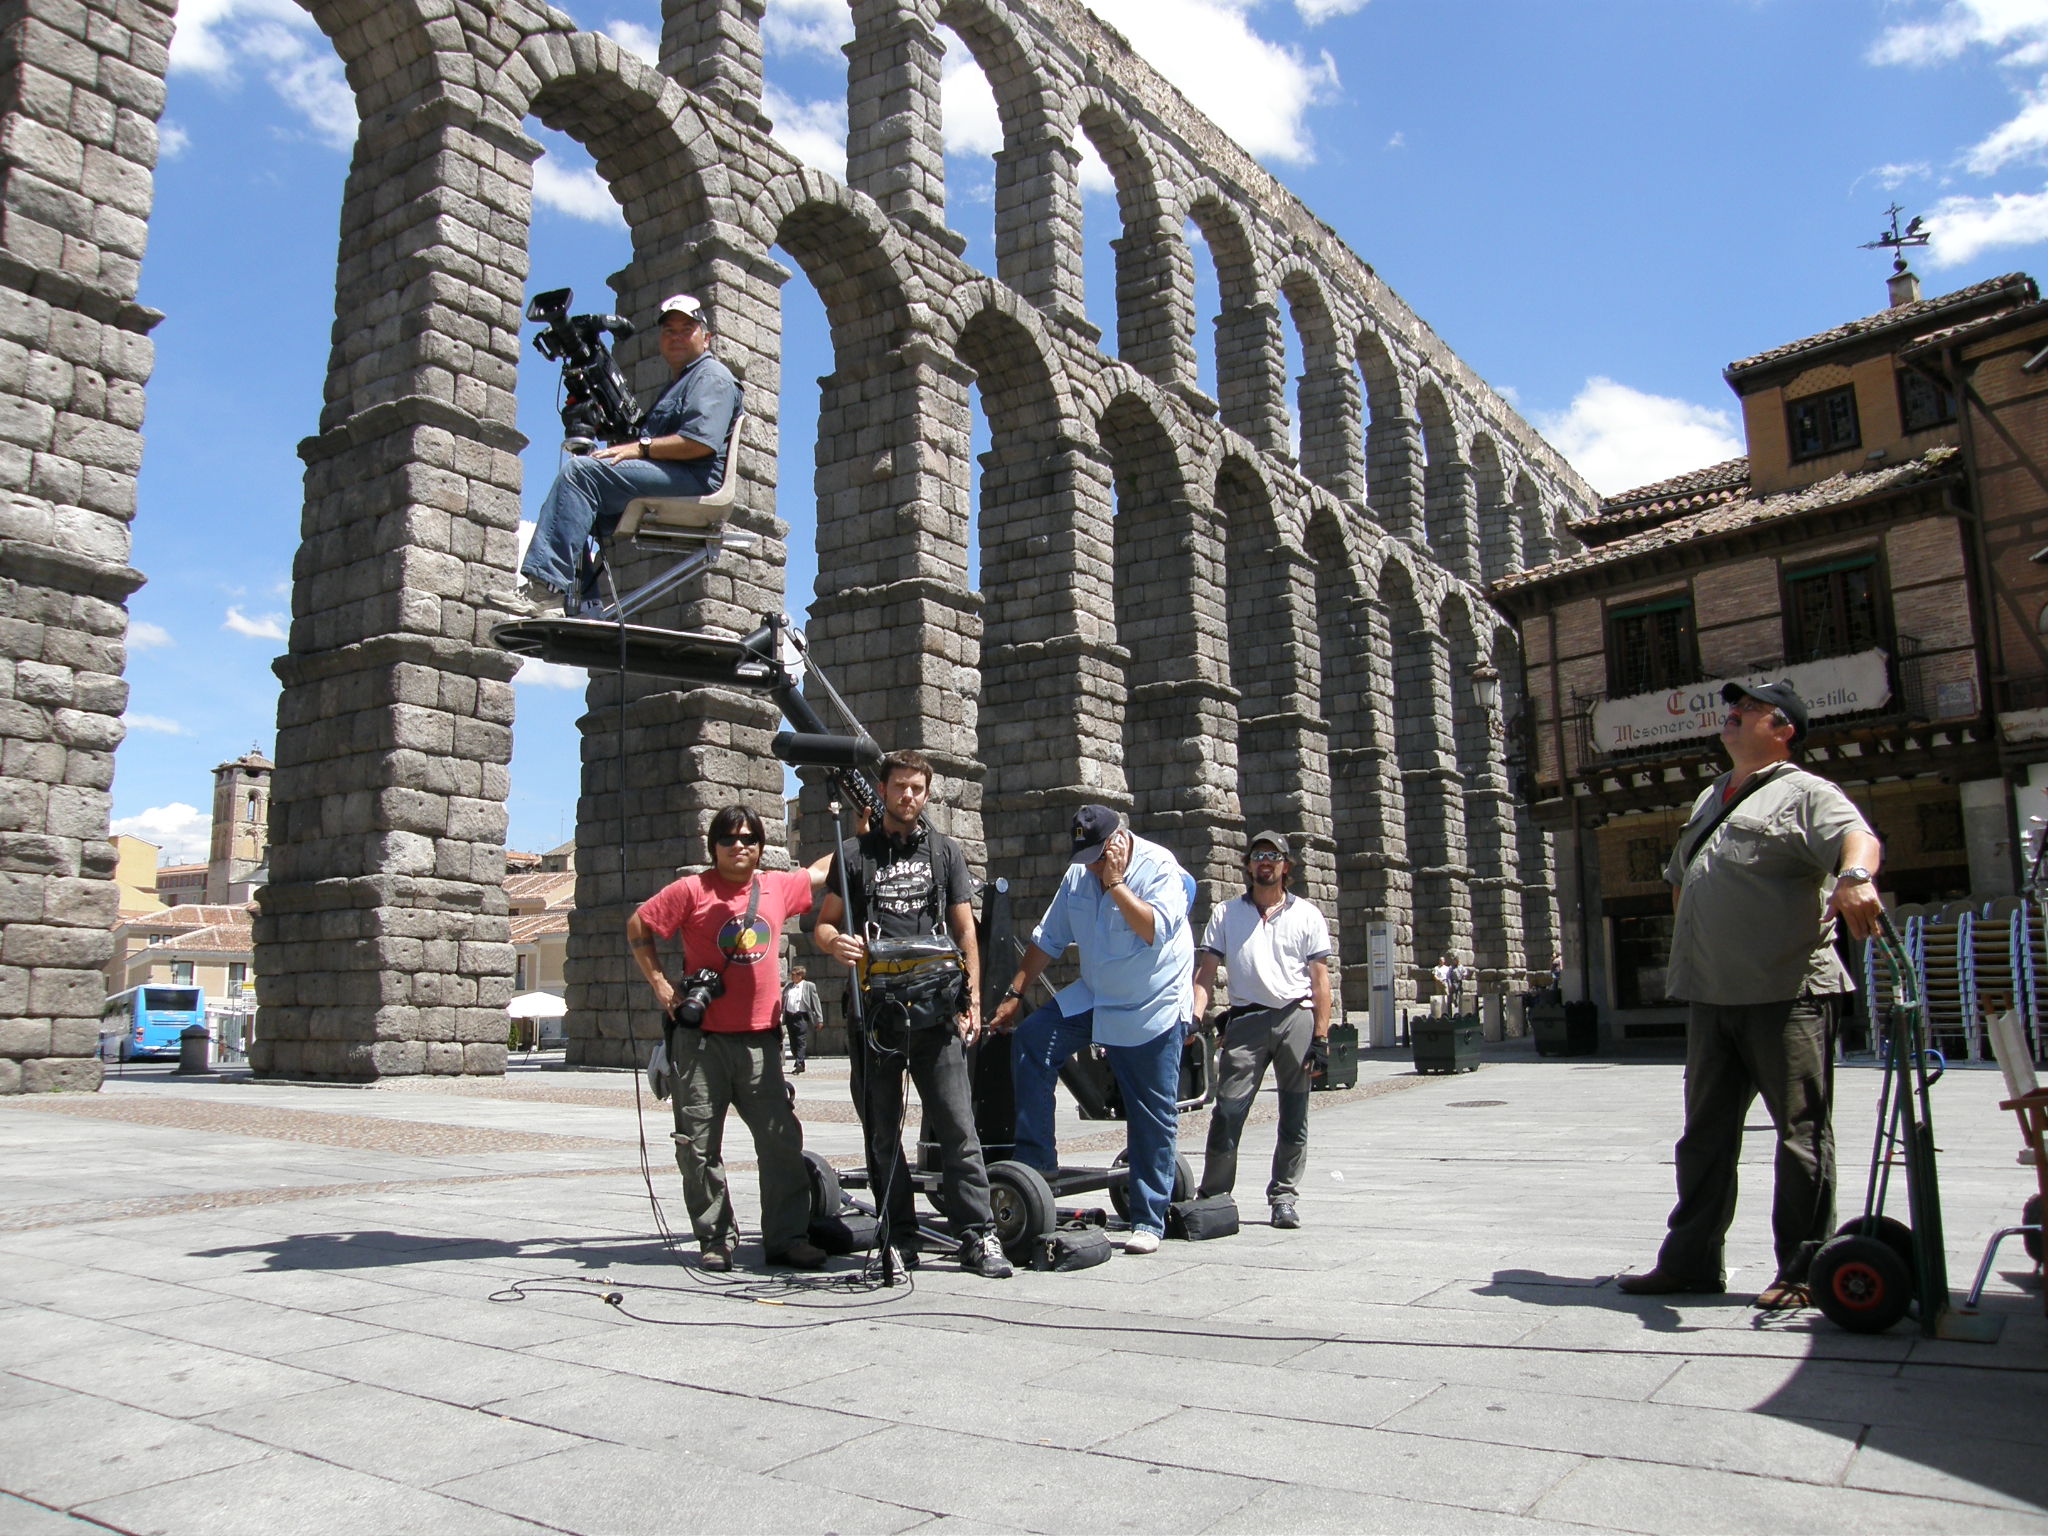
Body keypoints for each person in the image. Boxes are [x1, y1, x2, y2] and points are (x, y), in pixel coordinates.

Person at [1618, 680, 1883, 1310]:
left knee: (1800, 1135)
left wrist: (1853, 878)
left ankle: (1803, 1269)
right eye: (1732, 709)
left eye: (1749, 710)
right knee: (1703, 1137)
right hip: (1713, 997)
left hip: (1786, 992)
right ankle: (1690, 1263)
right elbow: (1683, 878)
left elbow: (1860, 840)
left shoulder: (1808, 793)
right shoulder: (1712, 796)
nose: (1730, 715)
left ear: (1783, 727)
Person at [812, 751, 1012, 1279]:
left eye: (917, 789)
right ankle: (896, 1237)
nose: (908, 797)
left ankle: (979, 1235)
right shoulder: (852, 855)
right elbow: (823, 925)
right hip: (874, 1018)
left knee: (957, 1129)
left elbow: (966, 931)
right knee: (882, 1134)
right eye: (899, 786)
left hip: (936, 1014)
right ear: (881, 789)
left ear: (927, 793)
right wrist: (836, 945)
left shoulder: (946, 853)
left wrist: (972, 1003)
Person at [626, 804, 826, 1273]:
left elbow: (820, 870)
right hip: (700, 1044)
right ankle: (715, 1238)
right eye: (730, 839)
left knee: (780, 1144)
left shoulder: (776, 886)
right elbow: (639, 925)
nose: (741, 845)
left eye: (750, 838)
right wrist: (661, 986)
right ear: (713, 847)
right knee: (697, 1147)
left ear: (761, 846)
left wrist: (872, 824)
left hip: (761, 1042)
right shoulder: (691, 890)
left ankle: (787, 1238)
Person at [989, 806, 1194, 1254]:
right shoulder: (1080, 873)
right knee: (1033, 1040)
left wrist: (1117, 884)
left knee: (1150, 1112)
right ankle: (1037, 1168)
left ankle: (1148, 1217)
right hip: (1097, 994)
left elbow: (1153, 931)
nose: (1093, 867)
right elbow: (1049, 938)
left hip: (1149, 1001)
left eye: (1099, 857)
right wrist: (1016, 993)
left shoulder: (1160, 869)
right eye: (1086, 858)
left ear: (1120, 841)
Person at [510, 292, 743, 610]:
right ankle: (580, 608)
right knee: (574, 506)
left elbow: (699, 442)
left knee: (581, 475)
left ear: (706, 338)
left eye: (686, 329)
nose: (676, 337)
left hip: (695, 479)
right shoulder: (680, 382)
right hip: (674, 474)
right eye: (669, 331)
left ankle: (545, 588)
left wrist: (641, 447)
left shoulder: (712, 377)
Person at [1192, 831, 1332, 1230]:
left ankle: (1284, 1196)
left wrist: (1321, 1038)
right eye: (1258, 856)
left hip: (1295, 1018)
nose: (1265, 862)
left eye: (1273, 856)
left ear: (1286, 866)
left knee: (1294, 1113)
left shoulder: (1307, 915)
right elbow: (1206, 973)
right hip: (1246, 1021)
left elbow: (1320, 981)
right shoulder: (1226, 914)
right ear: (1248, 866)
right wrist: (1196, 1014)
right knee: (1229, 1110)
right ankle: (1215, 1194)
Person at [780, 965, 820, 1075]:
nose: (792, 977)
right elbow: (783, 1001)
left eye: (794, 975)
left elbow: (816, 1003)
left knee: (801, 1040)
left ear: (801, 975)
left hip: (801, 1016)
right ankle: (800, 1062)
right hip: (790, 1017)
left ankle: (798, 1062)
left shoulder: (809, 986)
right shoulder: (789, 987)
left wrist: (819, 1019)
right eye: (791, 975)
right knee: (793, 1041)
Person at [1432, 952, 1467, 1016]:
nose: (1455, 961)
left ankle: (1460, 1011)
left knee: (1460, 996)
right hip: (1453, 983)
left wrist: (1464, 975)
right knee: (1451, 998)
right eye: (1454, 960)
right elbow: (1448, 976)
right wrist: (1450, 984)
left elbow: (1465, 972)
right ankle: (1448, 1011)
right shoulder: (1451, 968)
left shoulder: (1461, 967)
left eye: (1455, 960)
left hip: (1460, 983)